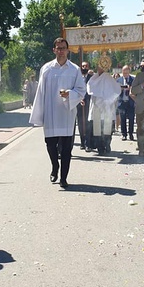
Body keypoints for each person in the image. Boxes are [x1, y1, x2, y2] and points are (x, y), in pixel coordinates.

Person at [29, 37, 86, 188]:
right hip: (51, 113)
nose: (61, 51)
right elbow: (41, 92)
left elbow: (81, 90)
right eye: (58, 48)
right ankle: (55, 166)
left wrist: (70, 94)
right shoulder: (46, 68)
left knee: (67, 149)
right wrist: (39, 112)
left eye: (63, 48)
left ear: (68, 50)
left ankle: (64, 178)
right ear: (54, 50)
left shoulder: (74, 69)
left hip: (67, 114)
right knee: (50, 144)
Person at [86, 53, 119, 155]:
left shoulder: (109, 78)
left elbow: (116, 90)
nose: (99, 68)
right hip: (96, 107)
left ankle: (107, 144)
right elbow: (90, 89)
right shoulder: (94, 78)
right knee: (98, 129)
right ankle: (100, 148)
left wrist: (107, 100)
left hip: (107, 107)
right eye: (99, 66)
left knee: (107, 129)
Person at [76, 61, 93, 151]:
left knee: (88, 124)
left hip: (88, 103)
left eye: (86, 66)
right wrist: (79, 99)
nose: (84, 68)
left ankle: (88, 144)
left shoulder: (91, 78)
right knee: (80, 123)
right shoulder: (77, 77)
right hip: (78, 103)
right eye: (83, 66)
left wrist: (86, 98)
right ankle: (82, 142)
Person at [117, 65, 136, 141]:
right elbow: (115, 90)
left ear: (129, 72)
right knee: (123, 119)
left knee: (131, 119)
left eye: (126, 72)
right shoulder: (118, 80)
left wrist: (130, 88)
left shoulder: (133, 80)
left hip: (130, 102)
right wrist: (120, 89)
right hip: (122, 102)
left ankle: (131, 134)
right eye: (123, 72)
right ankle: (124, 134)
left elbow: (136, 89)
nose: (125, 73)